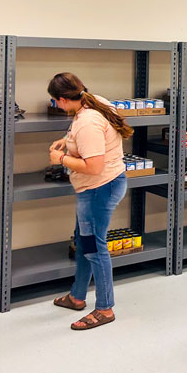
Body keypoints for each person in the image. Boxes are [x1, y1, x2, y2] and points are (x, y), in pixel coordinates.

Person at [48, 73, 133, 330]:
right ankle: (77, 296)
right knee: (84, 239)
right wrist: (67, 140)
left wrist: (60, 159)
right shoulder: (93, 100)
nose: (56, 106)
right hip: (102, 185)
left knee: (95, 247)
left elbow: (93, 167)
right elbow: (88, 134)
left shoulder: (88, 122)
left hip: (99, 188)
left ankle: (105, 308)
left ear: (63, 99)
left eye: (56, 102)